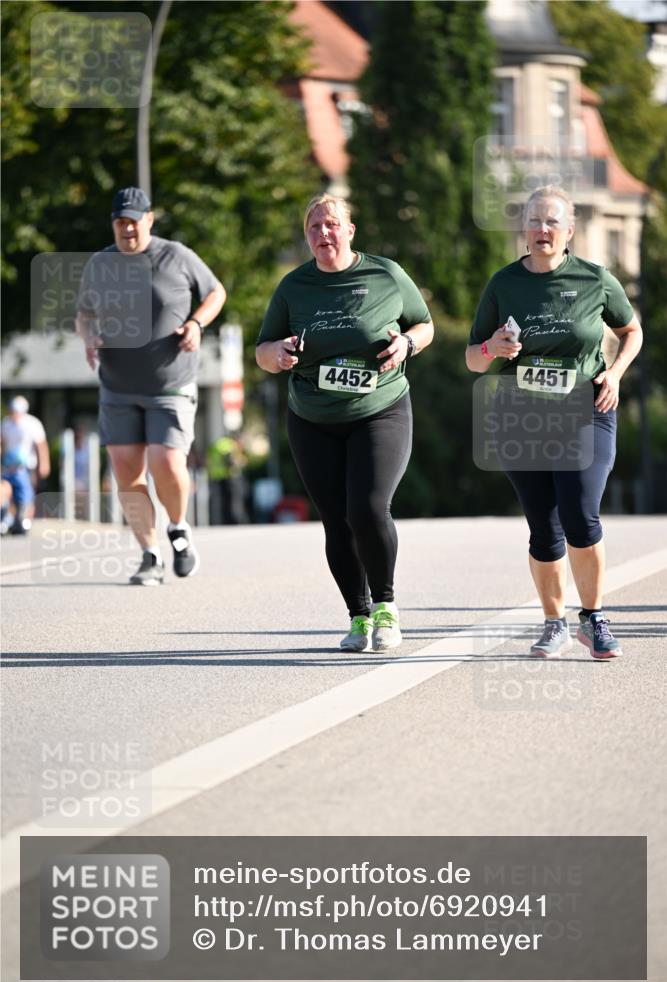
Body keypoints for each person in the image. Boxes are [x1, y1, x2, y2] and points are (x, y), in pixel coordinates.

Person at [466, 185, 642, 660]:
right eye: (534, 221)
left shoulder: (594, 279)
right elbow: (473, 359)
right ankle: (553, 624)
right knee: (544, 527)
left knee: (580, 513)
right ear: (523, 229)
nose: (542, 229)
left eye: (552, 222)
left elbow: (631, 330)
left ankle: (595, 618)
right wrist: (492, 348)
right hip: (521, 417)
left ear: (569, 231)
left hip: (586, 409)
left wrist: (616, 372)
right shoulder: (503, 284)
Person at [256, 194, 434, 652]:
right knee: (336, 520)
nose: (323, 233)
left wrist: (407, 345)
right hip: (312, 418)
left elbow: (424, 325)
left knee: (368, 508)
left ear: (350, 231)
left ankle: (386, 607)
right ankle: (358, 616)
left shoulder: (385, 274)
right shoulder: (294, 286)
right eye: (314, 227)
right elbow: (263, 351)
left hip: (380, 409)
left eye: (332, 224)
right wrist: (278, 355)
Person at [76, 187, 226, 585]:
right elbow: (84, 313)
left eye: (134, 221)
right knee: (127, 473)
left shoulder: (175, 256)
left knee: (167, 461)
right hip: (118, 386)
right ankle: (149, 555)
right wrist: (88, 336)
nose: (127, 229)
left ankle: (178, 527)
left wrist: (196, 323)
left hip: (170, 383)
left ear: (149, 220)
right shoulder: (100, 264)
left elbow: (216, 292)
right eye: (120, 222)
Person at [1, 396, 51, 534]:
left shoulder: (32, 423)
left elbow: (41, 445)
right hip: (9, 466)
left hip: (27, 466)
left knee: (27, 493)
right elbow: (2, 443)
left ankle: (25, 520)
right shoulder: (6, 424)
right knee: (8, 492)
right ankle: (9, 519)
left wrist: (44, 464)